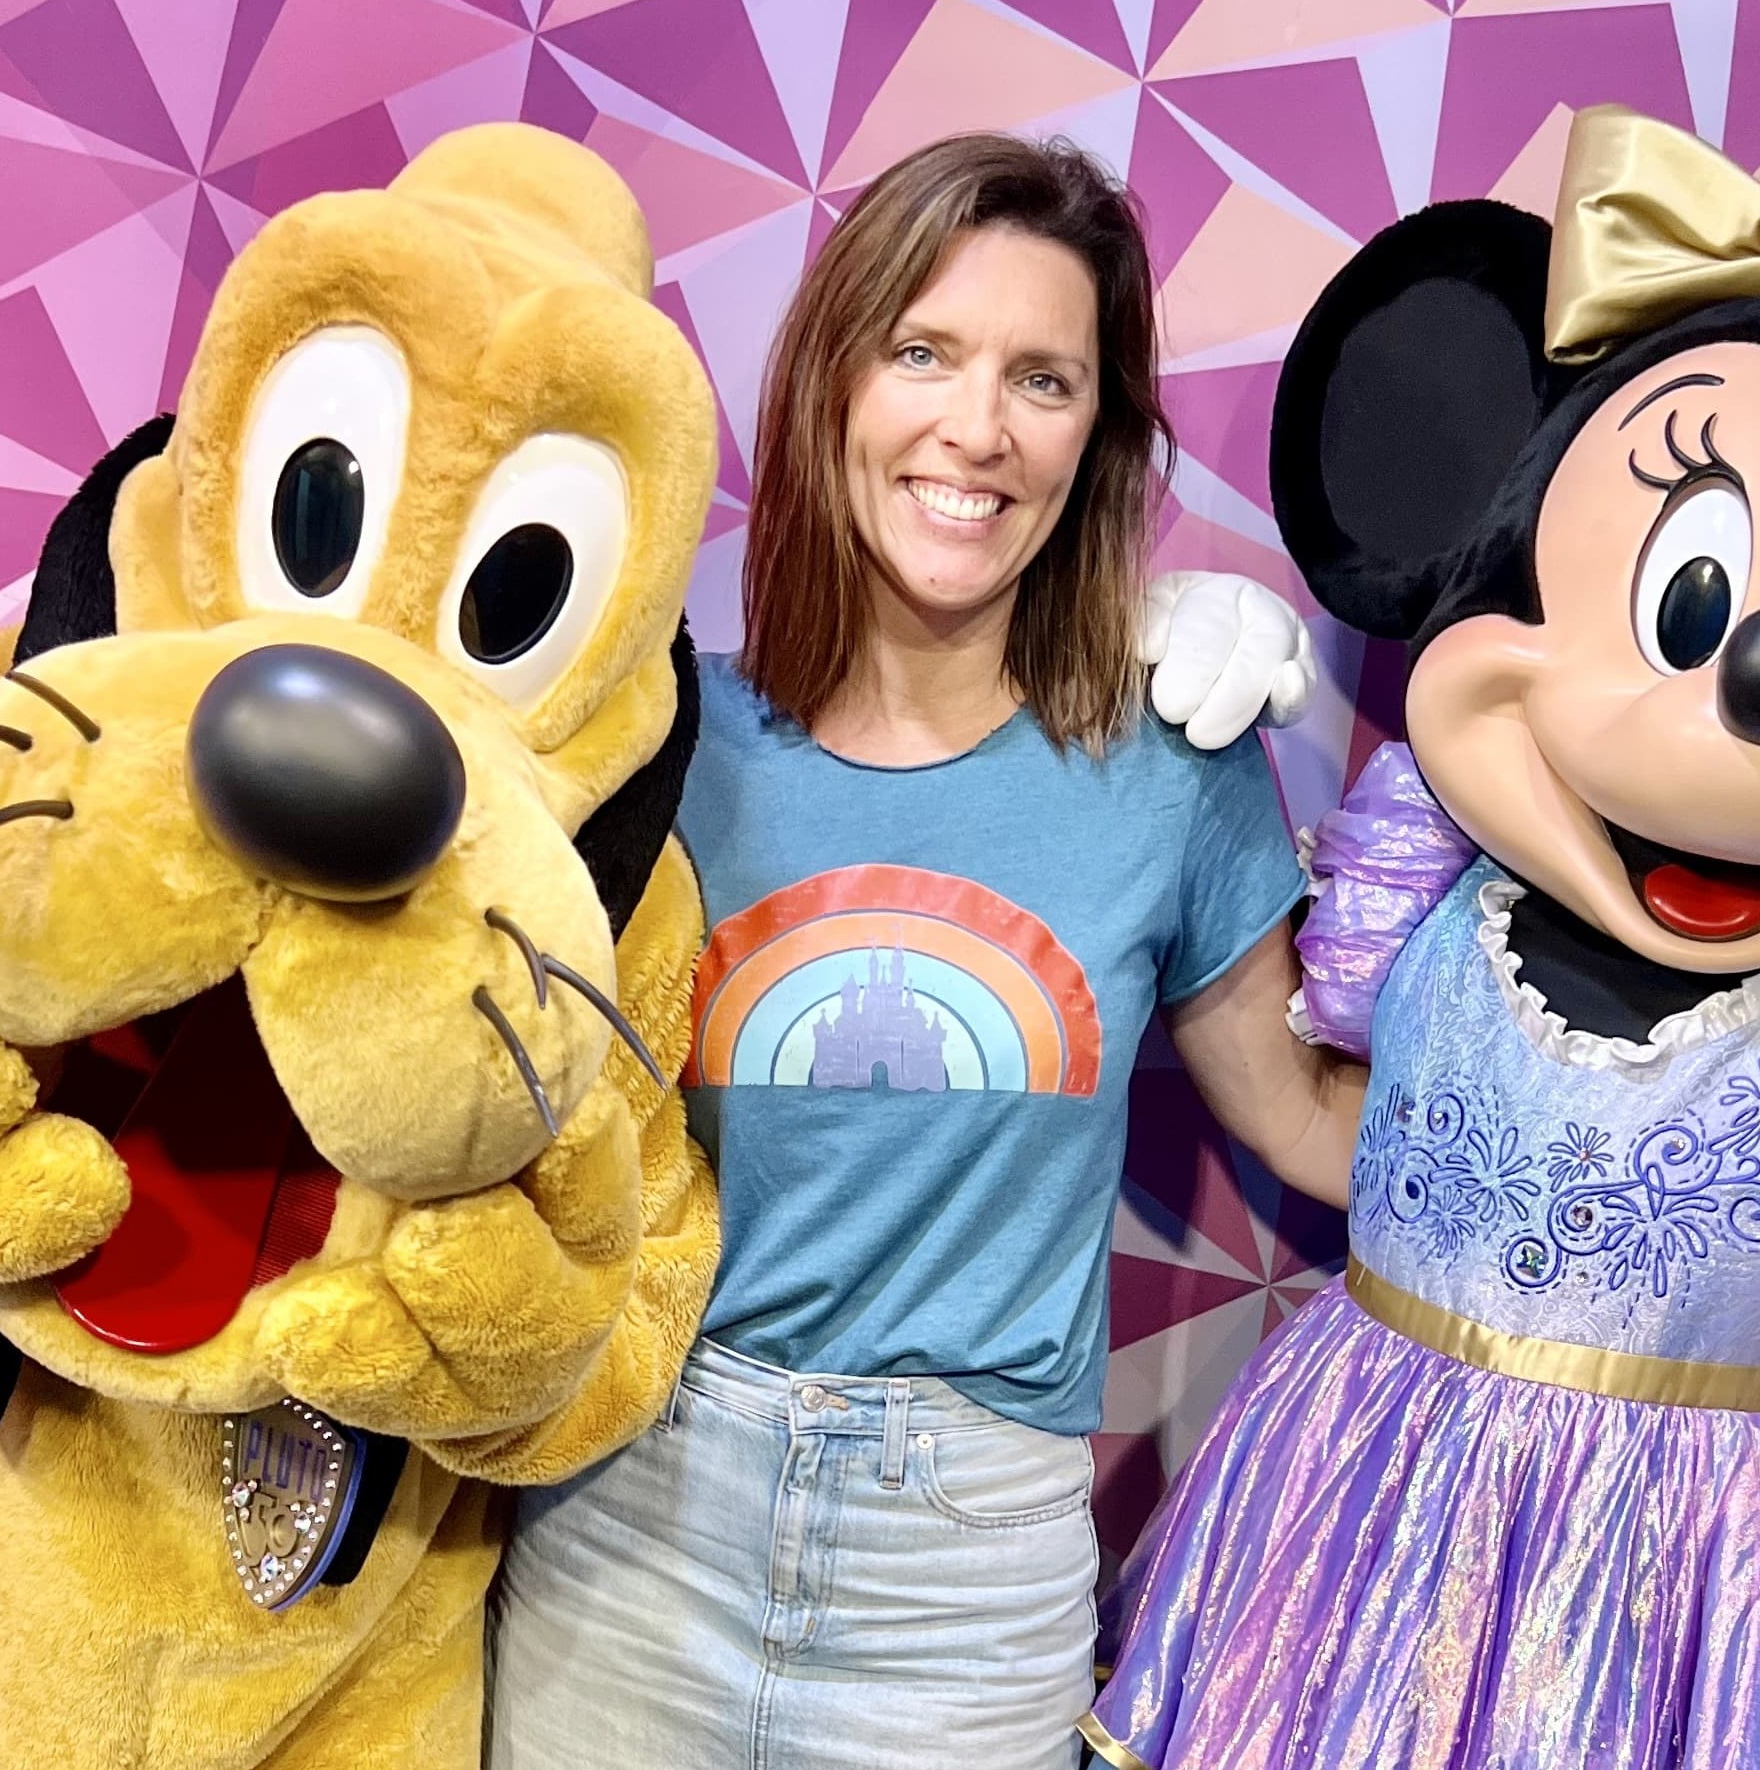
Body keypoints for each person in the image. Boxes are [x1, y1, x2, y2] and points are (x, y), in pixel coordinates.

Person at [1083, 109, 1760, 1770]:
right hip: (1354, 1532)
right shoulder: (1430, 897)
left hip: (1725, 1606)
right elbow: (1306, 1107)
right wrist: (1156, 761)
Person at [486, 132, 1361, 1769]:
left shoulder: (1172, 768)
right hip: (630, 1523)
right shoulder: (654, 736)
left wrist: (1661, 1116)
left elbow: (1308, 1118)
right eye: (922, 353)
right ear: (831, 384)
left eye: (1043, 379)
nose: (977, 428)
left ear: (1096, 434)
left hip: (960, 1583)